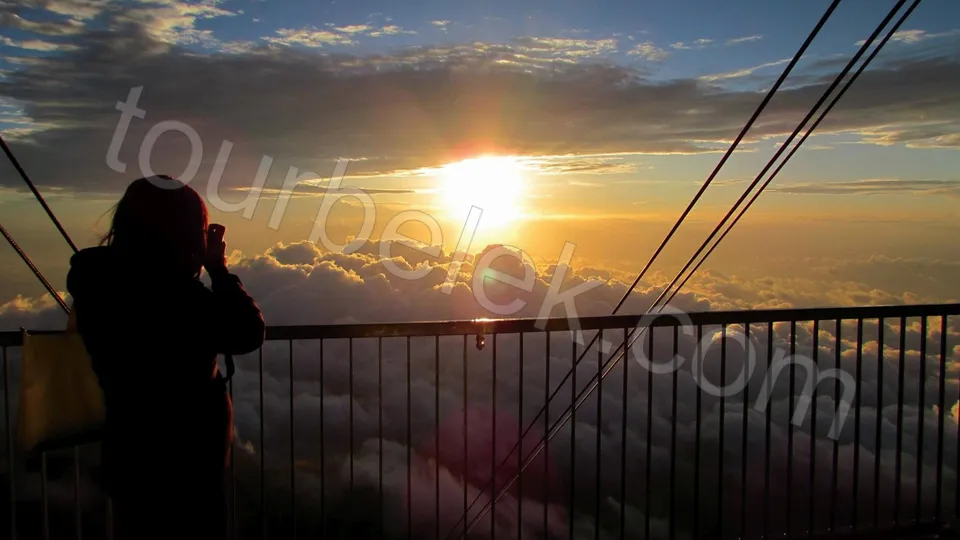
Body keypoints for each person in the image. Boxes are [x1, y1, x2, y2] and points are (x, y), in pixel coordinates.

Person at [66, 175, 265, 540]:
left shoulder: (98, 284)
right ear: (186, 234)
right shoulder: (181, 301)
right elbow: (246, 332)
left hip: (129, 450)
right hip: (188, 463)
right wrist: (217, 269)